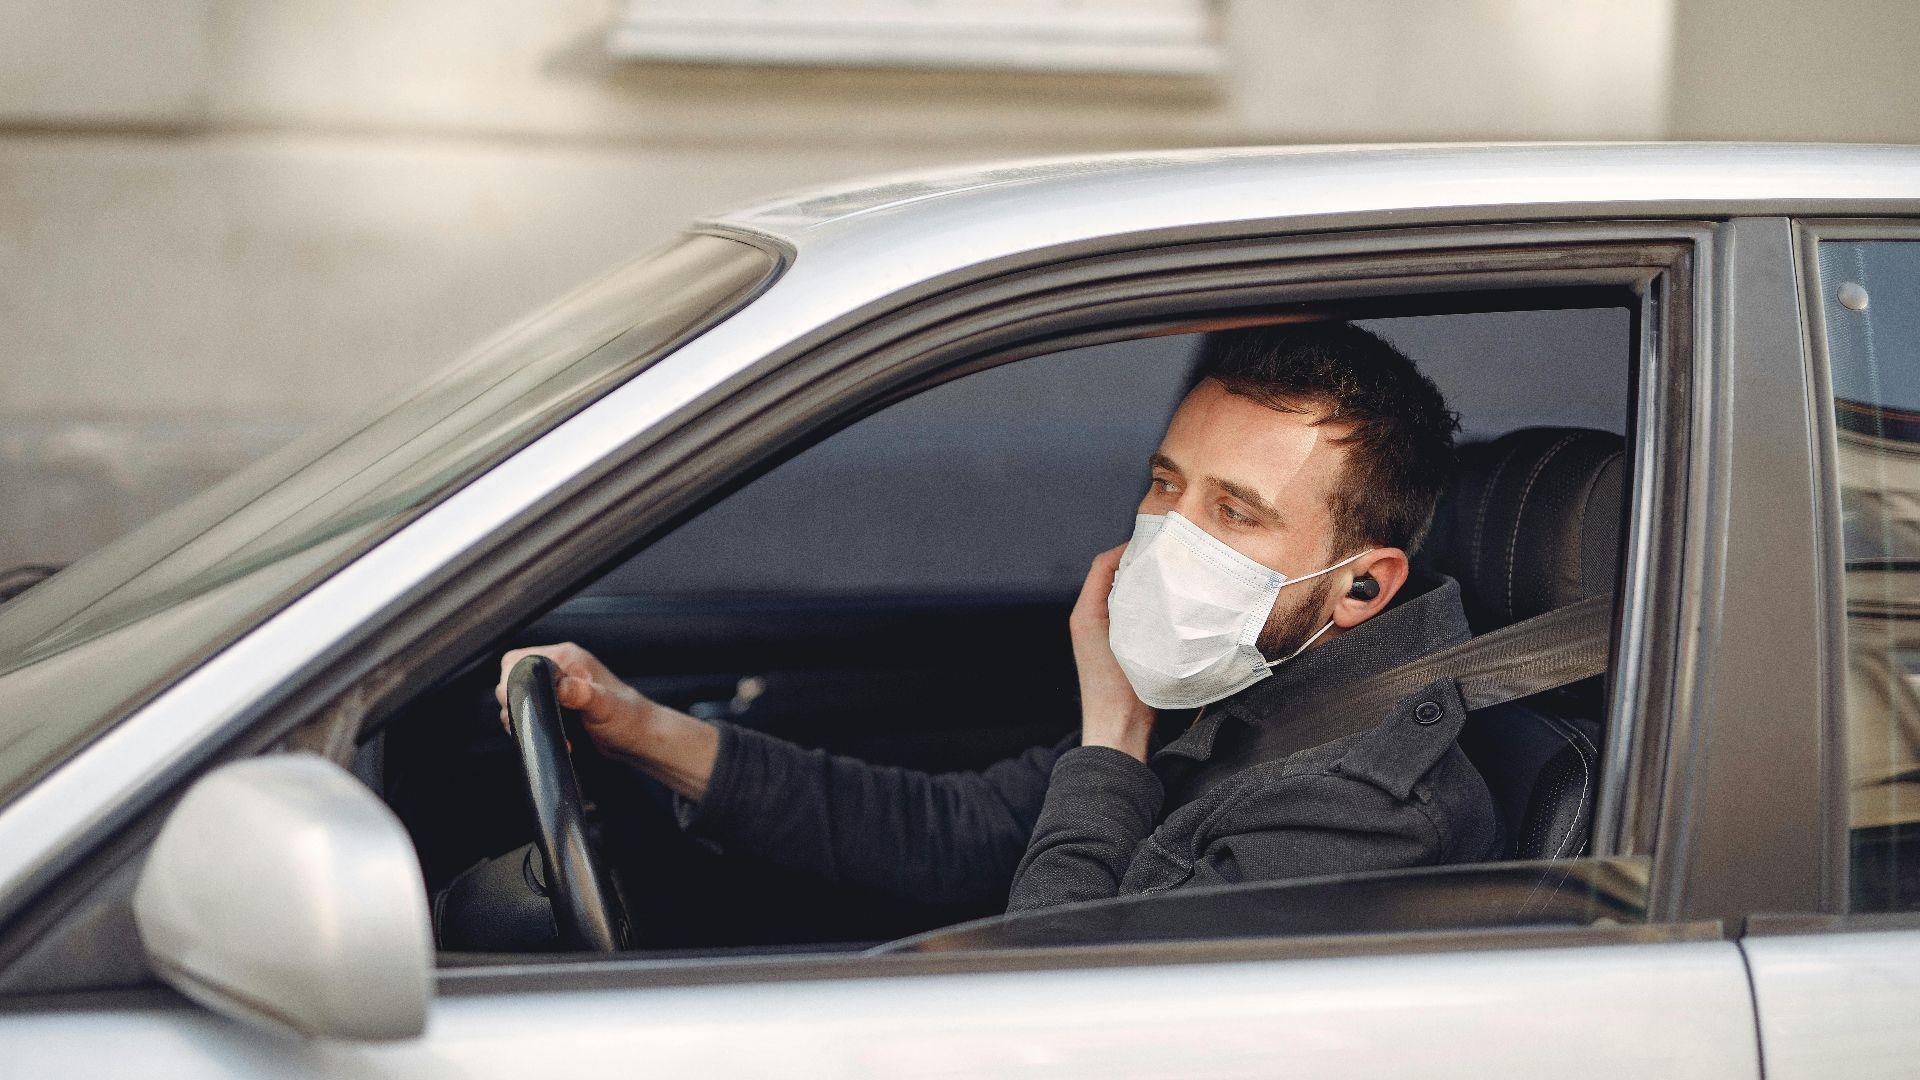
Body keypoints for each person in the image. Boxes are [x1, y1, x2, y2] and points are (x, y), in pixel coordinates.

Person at [496, 321, 1500, 916]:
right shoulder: (1243, 684)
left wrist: (1113, 738)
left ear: (1361, 588)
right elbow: (956, 832)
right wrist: (645, 731)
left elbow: (1065, 1025)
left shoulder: (1365, 808)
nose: (1167, 535)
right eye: (1165, 485)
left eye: (1234, 512)